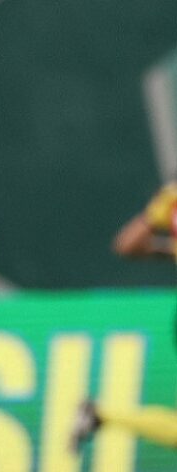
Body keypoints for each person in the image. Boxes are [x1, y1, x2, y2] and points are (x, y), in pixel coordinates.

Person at [70, 181, 177, 452]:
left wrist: (169, 249)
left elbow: (128, 244)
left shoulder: (172, 199)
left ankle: (102, 415)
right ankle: (102, 415)